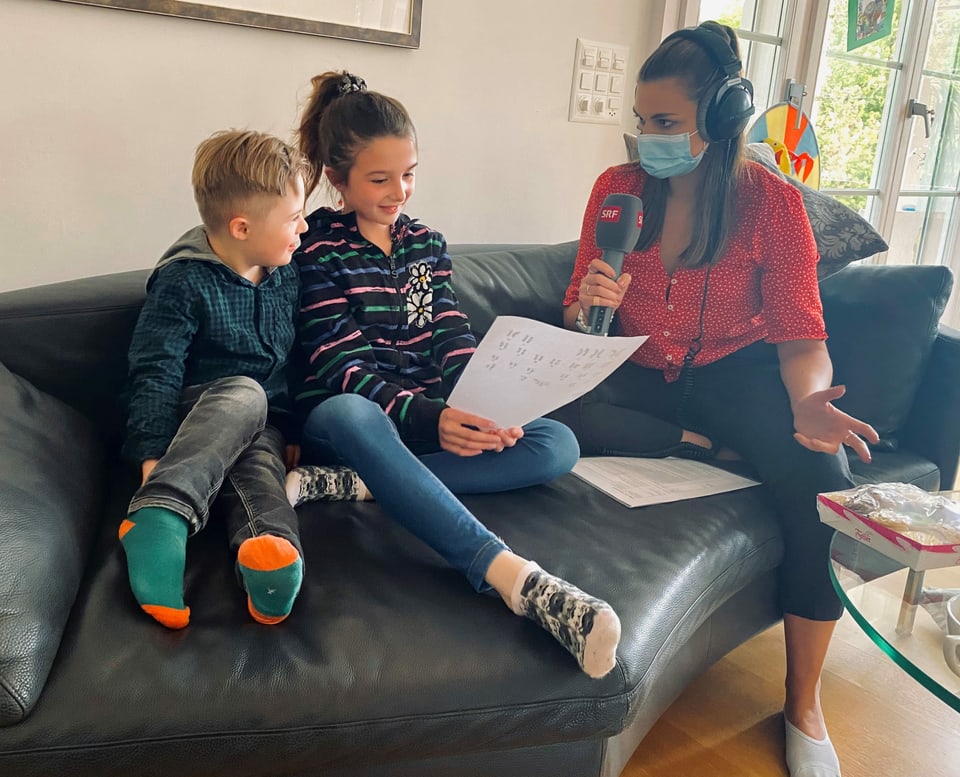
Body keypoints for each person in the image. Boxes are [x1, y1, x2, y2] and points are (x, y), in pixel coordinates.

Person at [555, 22, 879, 775]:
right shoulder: (617, 190)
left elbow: (802, 336)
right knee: (554, 414)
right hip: (637, 370)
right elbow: (578, 313)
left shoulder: (772, 204)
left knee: (821, 485)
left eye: (665, 123)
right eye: (642, 122)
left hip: (737, 373)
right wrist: (588, 305)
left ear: (723, 118)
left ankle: (802, 703)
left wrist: (805, 405)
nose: (648, 140)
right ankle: (711, 454)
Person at [288, 70, 621, 679]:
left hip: (425, 419)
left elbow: (447, 332)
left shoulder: (426, 245)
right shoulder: (313, 249)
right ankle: (515, 579)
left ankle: (357, 485)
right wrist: (433, 418)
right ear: (338, 179)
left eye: (409, 173)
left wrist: (485, 399)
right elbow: (340, 363)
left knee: (556, 444)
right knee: (348, 412)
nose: (400, 192)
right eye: (380, 179)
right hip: (353, 420)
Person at [120, 129, 313, 629]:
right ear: (242, 227)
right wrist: (151, 459)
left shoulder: (284, 272)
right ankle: (159, 511)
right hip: (198, 413)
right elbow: (155, 370)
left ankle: (268, 552)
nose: (304, 227)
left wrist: (289, 427)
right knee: (246, 394)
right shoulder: (184, 280)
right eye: (293, 218)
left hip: (260, 423)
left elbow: (290, 360)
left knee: (262, 472)